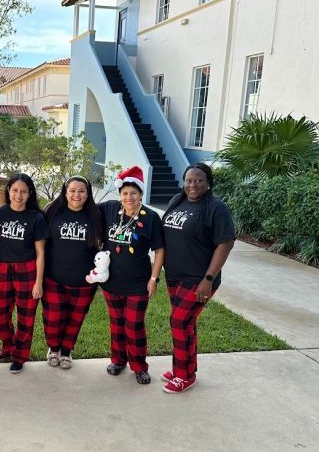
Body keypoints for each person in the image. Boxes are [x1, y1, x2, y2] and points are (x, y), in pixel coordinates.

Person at [161, 162, 235, 393]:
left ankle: (185, 376)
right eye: (188, 180)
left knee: (179, 321)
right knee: (186, 323)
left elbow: (225, 243)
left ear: (208, 183)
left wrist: (209, 278)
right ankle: (182, 367)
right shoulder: (178, 200)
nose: (192, 185)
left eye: (198, 180)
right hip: (174, 275)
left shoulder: (215, 207)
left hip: (199, 277)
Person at [99, 166, 165, 385]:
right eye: (125, 193)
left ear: (140, 194)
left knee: (134, 326)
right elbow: (81, 207)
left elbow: (159, 250)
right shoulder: (109, 209)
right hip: (111, 282)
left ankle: (139, 366)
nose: (129, 197)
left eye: (133, 193)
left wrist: (153, 279)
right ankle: (118, 360)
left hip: (138, 283)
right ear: (119, 194)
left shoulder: (151, 218)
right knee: (116, 324)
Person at [42, 176, 104, 370]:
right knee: (53, 319)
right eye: (72, 190)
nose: (76, 195)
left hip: (84, 281)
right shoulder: (52, 211)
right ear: (65, 192)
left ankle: (67, 351)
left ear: (87, 193)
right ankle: (53, 349)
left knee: (75, 319)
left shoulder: (95, 216)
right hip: (53, 278)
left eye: (81, 191)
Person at [0, 173, 49, 373]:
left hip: (27, 270)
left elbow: (41, 253)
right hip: (1, 269)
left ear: (30, 193)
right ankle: (8, 346)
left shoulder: (36, 218)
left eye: (23, 191)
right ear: (8, 191)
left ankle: (19, 355)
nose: (18, 195)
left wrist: (38, 282)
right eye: (15, 190)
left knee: (26, 316)